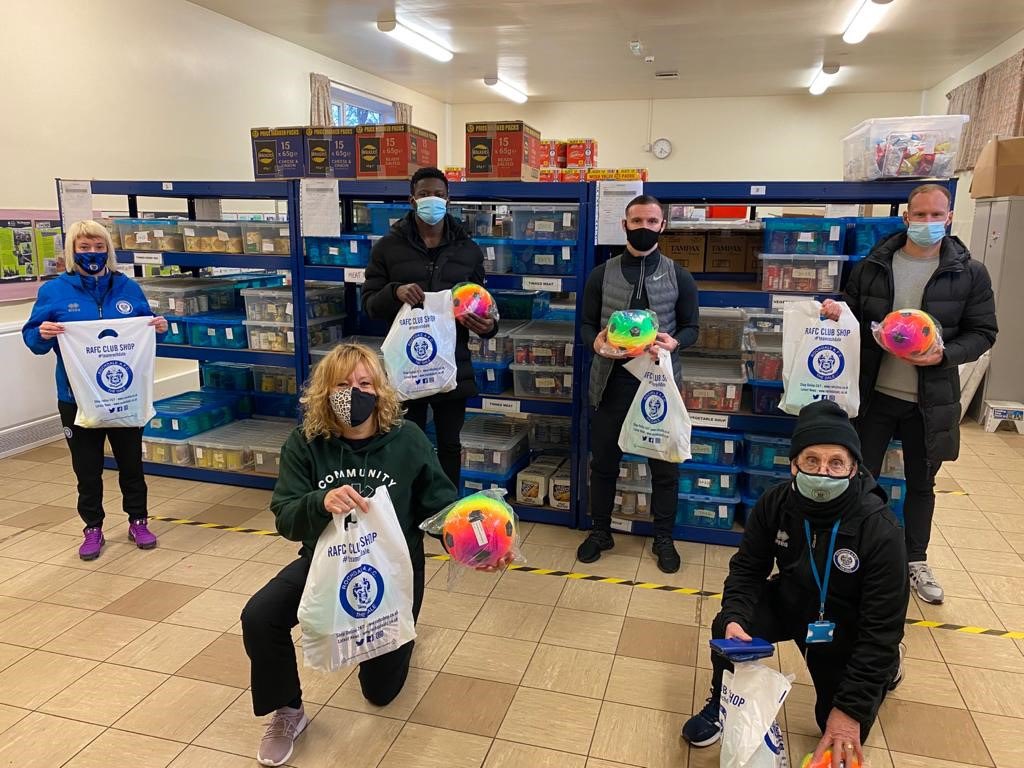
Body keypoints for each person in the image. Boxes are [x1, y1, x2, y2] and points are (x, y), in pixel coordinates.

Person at [241, 344, 473, 767]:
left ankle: (398, 637)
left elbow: (440, 509)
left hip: (392, 572)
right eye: (343, 385)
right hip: (325, 564)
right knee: (260, 615)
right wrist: (319, 501)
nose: (355, 392)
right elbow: (286, 518)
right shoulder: (307, 443)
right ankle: (288, 711)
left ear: (380, 390)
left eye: (365, 383)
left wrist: (475, 545)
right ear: (324, 393)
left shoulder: (408, 440)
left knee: (379, 693)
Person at [682, 401, 908, 768]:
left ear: (854, 468)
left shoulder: (880, 529)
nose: (823, 472)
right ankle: (722, 704)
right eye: (811, 461)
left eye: (836, 462)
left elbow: (881, 629)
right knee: (728, 627)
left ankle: (888, 669)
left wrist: (849, 711)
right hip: (793, 598)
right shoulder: (776, 502)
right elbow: (748, 568)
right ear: (793, 465)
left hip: (848, 622)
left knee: (834, 729)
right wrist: (736, 616)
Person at [821, 183, 997, 605]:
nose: (927, 223)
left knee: (922, 483)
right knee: (860, 478)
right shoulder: (875, 265)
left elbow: (983, 333)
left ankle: (915, 560)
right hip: (875, 394)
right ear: (906, 218)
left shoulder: (969, 272)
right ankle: (852, 552)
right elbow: (852, 315)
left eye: (936, 215)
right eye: (919, 215)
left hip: (929, 400)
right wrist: (836, 312)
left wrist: (942, 355)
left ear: (949, 217)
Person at [22, 219, 168, 561]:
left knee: (131, 463)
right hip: (76, 399)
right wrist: (41, 333)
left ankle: (138, 520)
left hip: (124, 397)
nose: (92, 253)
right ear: (72, 250)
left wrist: (160, 327)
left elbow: (146, 331)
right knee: (86, 468)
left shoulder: (127, 288)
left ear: (108, 250)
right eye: (84, 247)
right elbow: (33, 340)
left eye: (99, 247)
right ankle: (93, 527)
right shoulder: (54, 291)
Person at [577, 194, 699, 573]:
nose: (644, 228)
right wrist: (595, 341)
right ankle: (601, 531)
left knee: (664, 467)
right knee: (604, 465)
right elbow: (583, 324)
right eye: (637, 221)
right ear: (624, 225)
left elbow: (693, 327)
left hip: (659, 387)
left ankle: (663, 536)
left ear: (662, 226)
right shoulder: (602, 273)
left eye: (651, 222)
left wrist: (677, 341)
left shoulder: (680, 275)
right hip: (611, 384)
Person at [362, 167, 498, 488]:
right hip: (406, 366)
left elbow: (484, 306)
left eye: (438, 194)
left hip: (453, 365)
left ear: (448, 199)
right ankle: (411, 506)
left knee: (450, 444)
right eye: (424, 194)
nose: (431, 200)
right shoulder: (387, 247)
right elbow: (369, 304)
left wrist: (488, 325)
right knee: (408, 441)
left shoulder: (468, 250)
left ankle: (446, 506)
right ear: (412, 200)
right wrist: (394, 291)